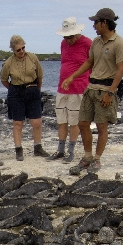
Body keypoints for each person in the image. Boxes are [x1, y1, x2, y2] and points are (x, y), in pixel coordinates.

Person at [61, 8, 123, 174]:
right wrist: (72, 77)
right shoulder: (96, 42)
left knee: (101, 126)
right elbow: (89, 62)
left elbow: (121, 69)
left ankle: (97, 160)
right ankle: (87, 157)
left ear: (105, 23)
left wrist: (111, 93)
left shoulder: (119, 43)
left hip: (106, 89)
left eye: (96, 22)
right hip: (90, 88)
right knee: (83, 123)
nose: (94, 26)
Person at [0, 35, 49, 161]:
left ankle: (38, 148)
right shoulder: (8, 63)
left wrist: (37, 90)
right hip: (16, 92)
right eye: (18, 50)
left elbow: (40, 76)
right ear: (13, 50)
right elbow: (4, 79)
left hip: (32, 89)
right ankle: (18, 150)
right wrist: (13, 89)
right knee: (18, 123)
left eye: (23, 48)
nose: (21, 51)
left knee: (36, 122)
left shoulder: (32, 58)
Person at [51, 17, 92, 163]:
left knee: (74, 122)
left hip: (79, 88)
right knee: (61, 119)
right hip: (62, 88)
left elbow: (91, 65)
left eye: (70, 37)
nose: (67, 40)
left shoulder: (87, 43)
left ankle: (71, 150)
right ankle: (60, 150)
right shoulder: (63, 43)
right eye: (65, 37)